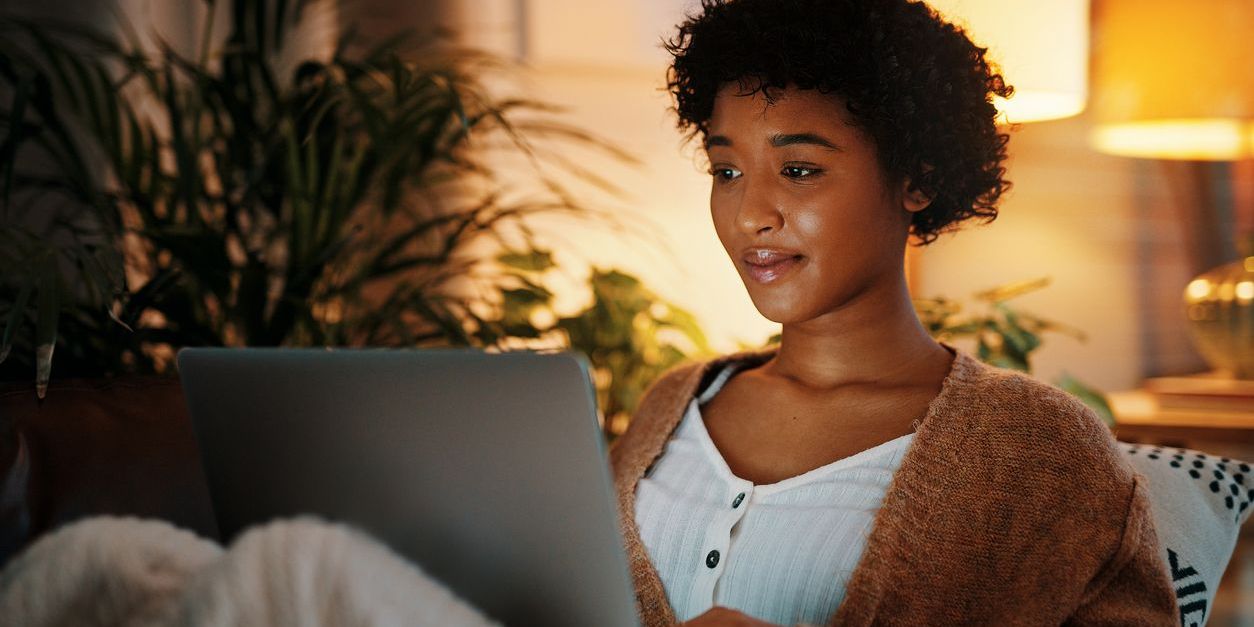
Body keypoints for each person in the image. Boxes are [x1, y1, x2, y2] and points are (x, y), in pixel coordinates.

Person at [608, 1, 1179, 625]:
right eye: (727, 170)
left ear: (919, 178)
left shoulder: (1039, 449)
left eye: (798, 170)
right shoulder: (672, 406)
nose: (750, 214)